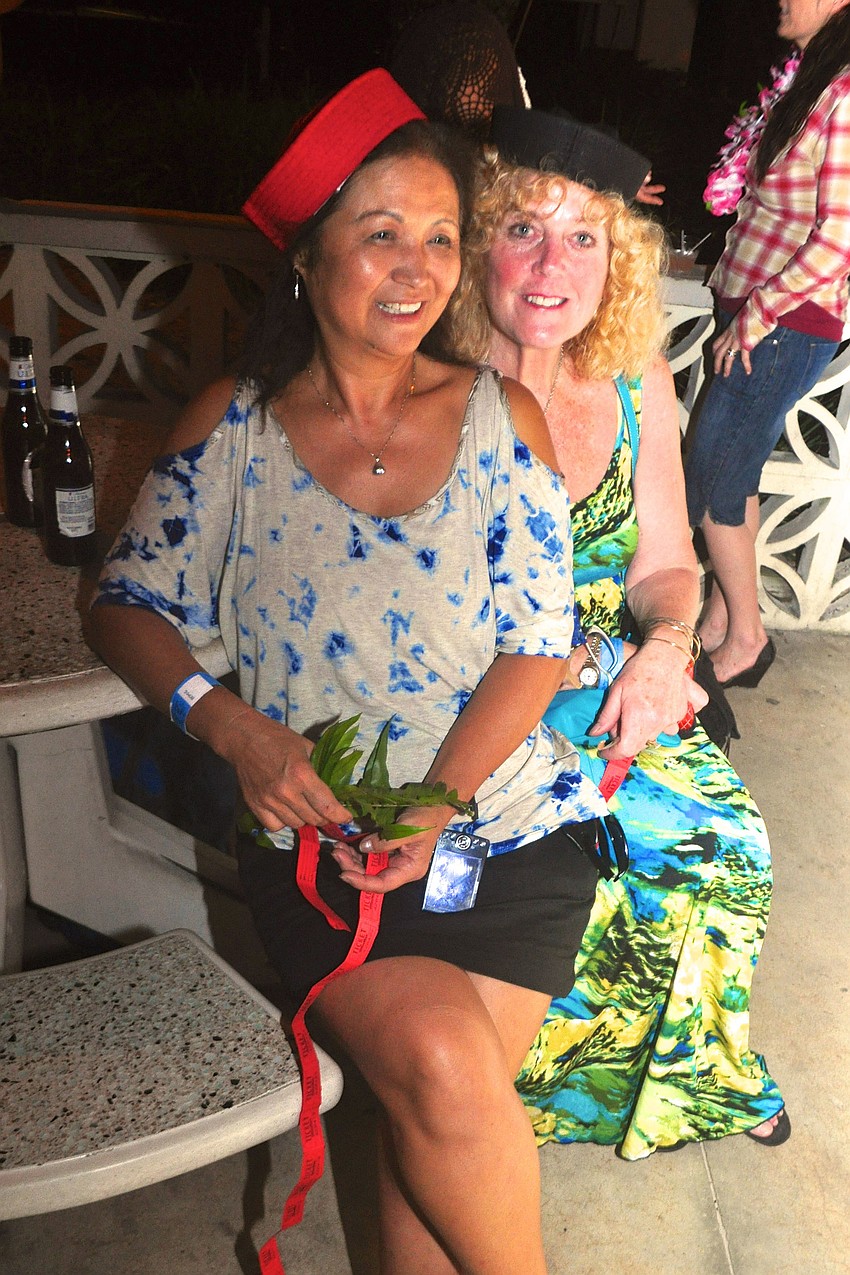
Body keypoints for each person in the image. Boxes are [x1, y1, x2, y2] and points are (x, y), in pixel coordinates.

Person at [89, 69, 619, 1274]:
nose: (417, 268)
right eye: (382, 233)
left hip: (504, 831)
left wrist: (438, 805)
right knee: (437, 1071)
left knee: (431, 1122)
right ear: (306, 255)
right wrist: (229, 726)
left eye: (440, 237)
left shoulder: (501, 417)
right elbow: (125, 606)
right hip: (327, 850)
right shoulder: (232, 428)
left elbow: (538, 641)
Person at [450, 104, 788, 1157]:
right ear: (478, 244)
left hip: (614, 671)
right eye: (523, 229)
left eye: (583, 236)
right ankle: (496, 1100)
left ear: (618, 260)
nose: (551, 264)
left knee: (727, 847)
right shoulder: (431, 377)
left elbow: (666, 564)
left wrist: (665, 648)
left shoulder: (634, 377)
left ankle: (693, 1076)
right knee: (569, 860)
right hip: (475, 688)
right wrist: (553, 667)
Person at [685, 0, 850, 687]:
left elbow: (839, 240)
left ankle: (747, 638)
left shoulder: (845, 93)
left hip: (783, 326)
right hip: (762, 318)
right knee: (735, 473)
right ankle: (721, 619)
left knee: (709, 479)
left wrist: (757, 314)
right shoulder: (813, 80)